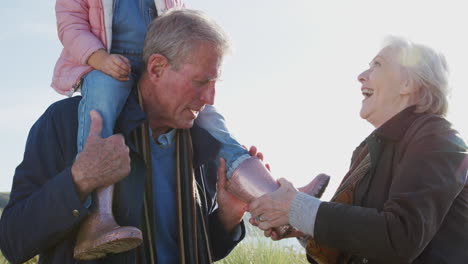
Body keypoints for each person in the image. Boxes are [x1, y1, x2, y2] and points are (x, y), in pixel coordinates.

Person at [0, 9, 248, 264]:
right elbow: (12, 241)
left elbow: (199, 250)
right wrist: (79, 180)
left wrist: (227, 218)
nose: (210, 98)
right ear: (157, 68)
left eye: (214, 83)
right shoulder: (66, 123)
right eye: (200, 82)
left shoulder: (201, 143)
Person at [248, 36, 468, 264]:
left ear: (407, 84)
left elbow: (401, 237)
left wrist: (298, 208)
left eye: (378, 64)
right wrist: (303, 227)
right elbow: (360, 240)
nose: (361, 75)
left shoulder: (438, 137)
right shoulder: (367, 150)